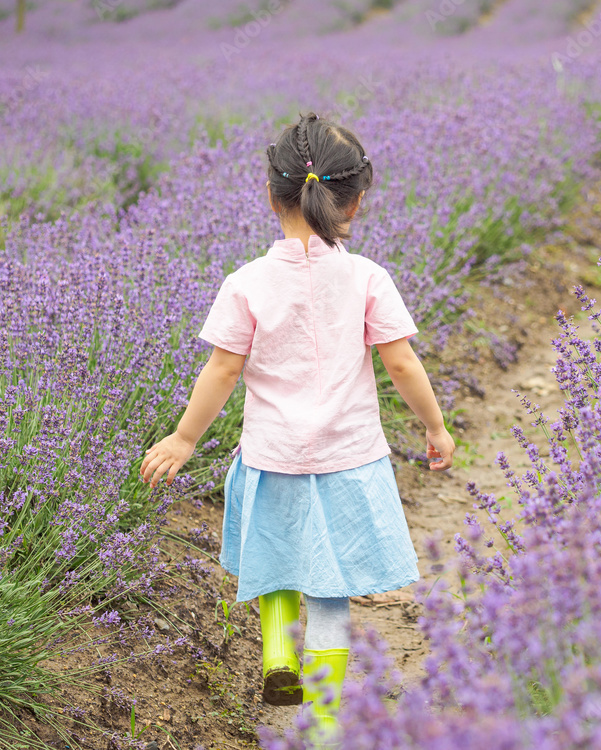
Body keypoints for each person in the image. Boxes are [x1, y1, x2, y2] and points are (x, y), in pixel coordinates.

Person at [139, 112, 455, 745]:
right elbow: (400, 362)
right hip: (349, 457)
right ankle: (326, 720)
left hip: (271, 453)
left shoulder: (247, 283)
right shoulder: (368, 277)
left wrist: (183, 439)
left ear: (270, 194)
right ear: (356, 203)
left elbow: (223, 369)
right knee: (331, 587)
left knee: (277, 560)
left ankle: (278, 658)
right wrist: (436, 428)